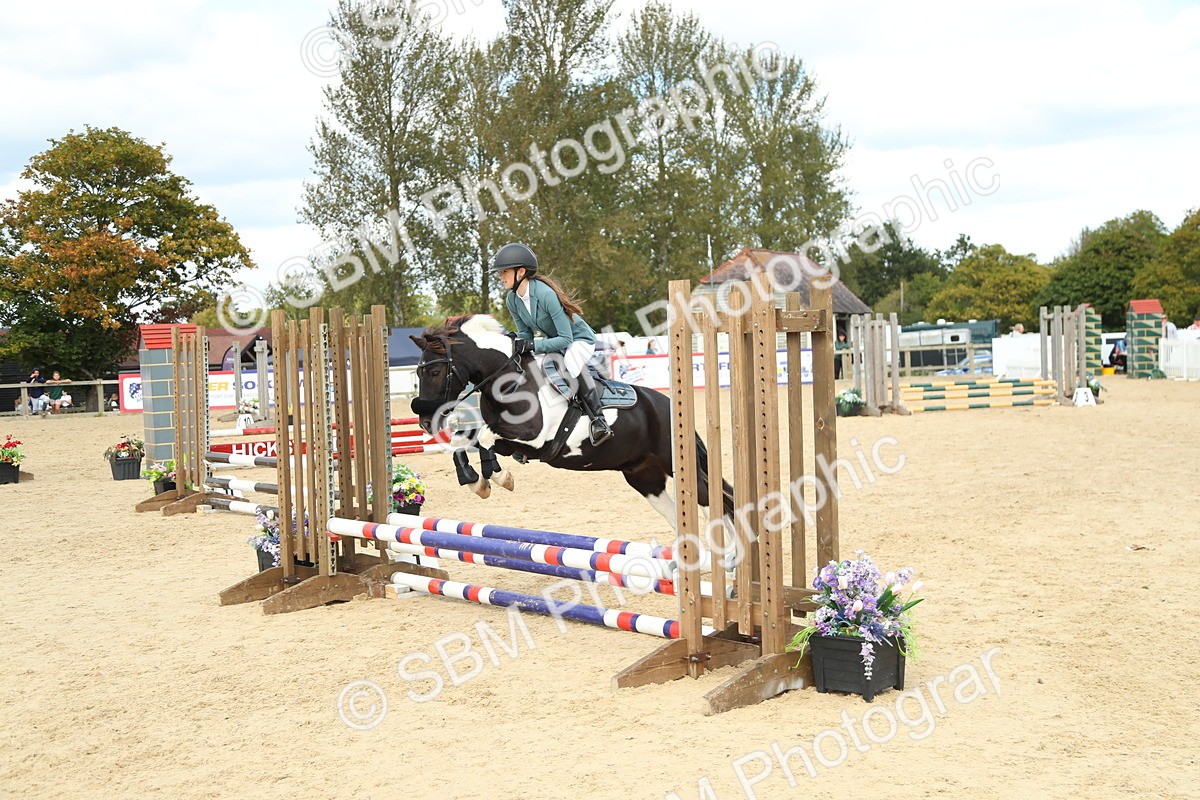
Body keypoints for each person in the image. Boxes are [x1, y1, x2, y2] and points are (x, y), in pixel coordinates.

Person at [489, 242, 614, 445]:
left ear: (521, 271)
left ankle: (599, 421)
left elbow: (566, 339)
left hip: (579, 339)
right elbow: (525, 333)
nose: (500, 276)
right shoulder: (512, 299)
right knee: (533, 367)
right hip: (554, 341)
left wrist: (532, 346)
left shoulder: (545, 295)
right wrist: (517, 342)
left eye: (504, 271)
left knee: (571, 364)